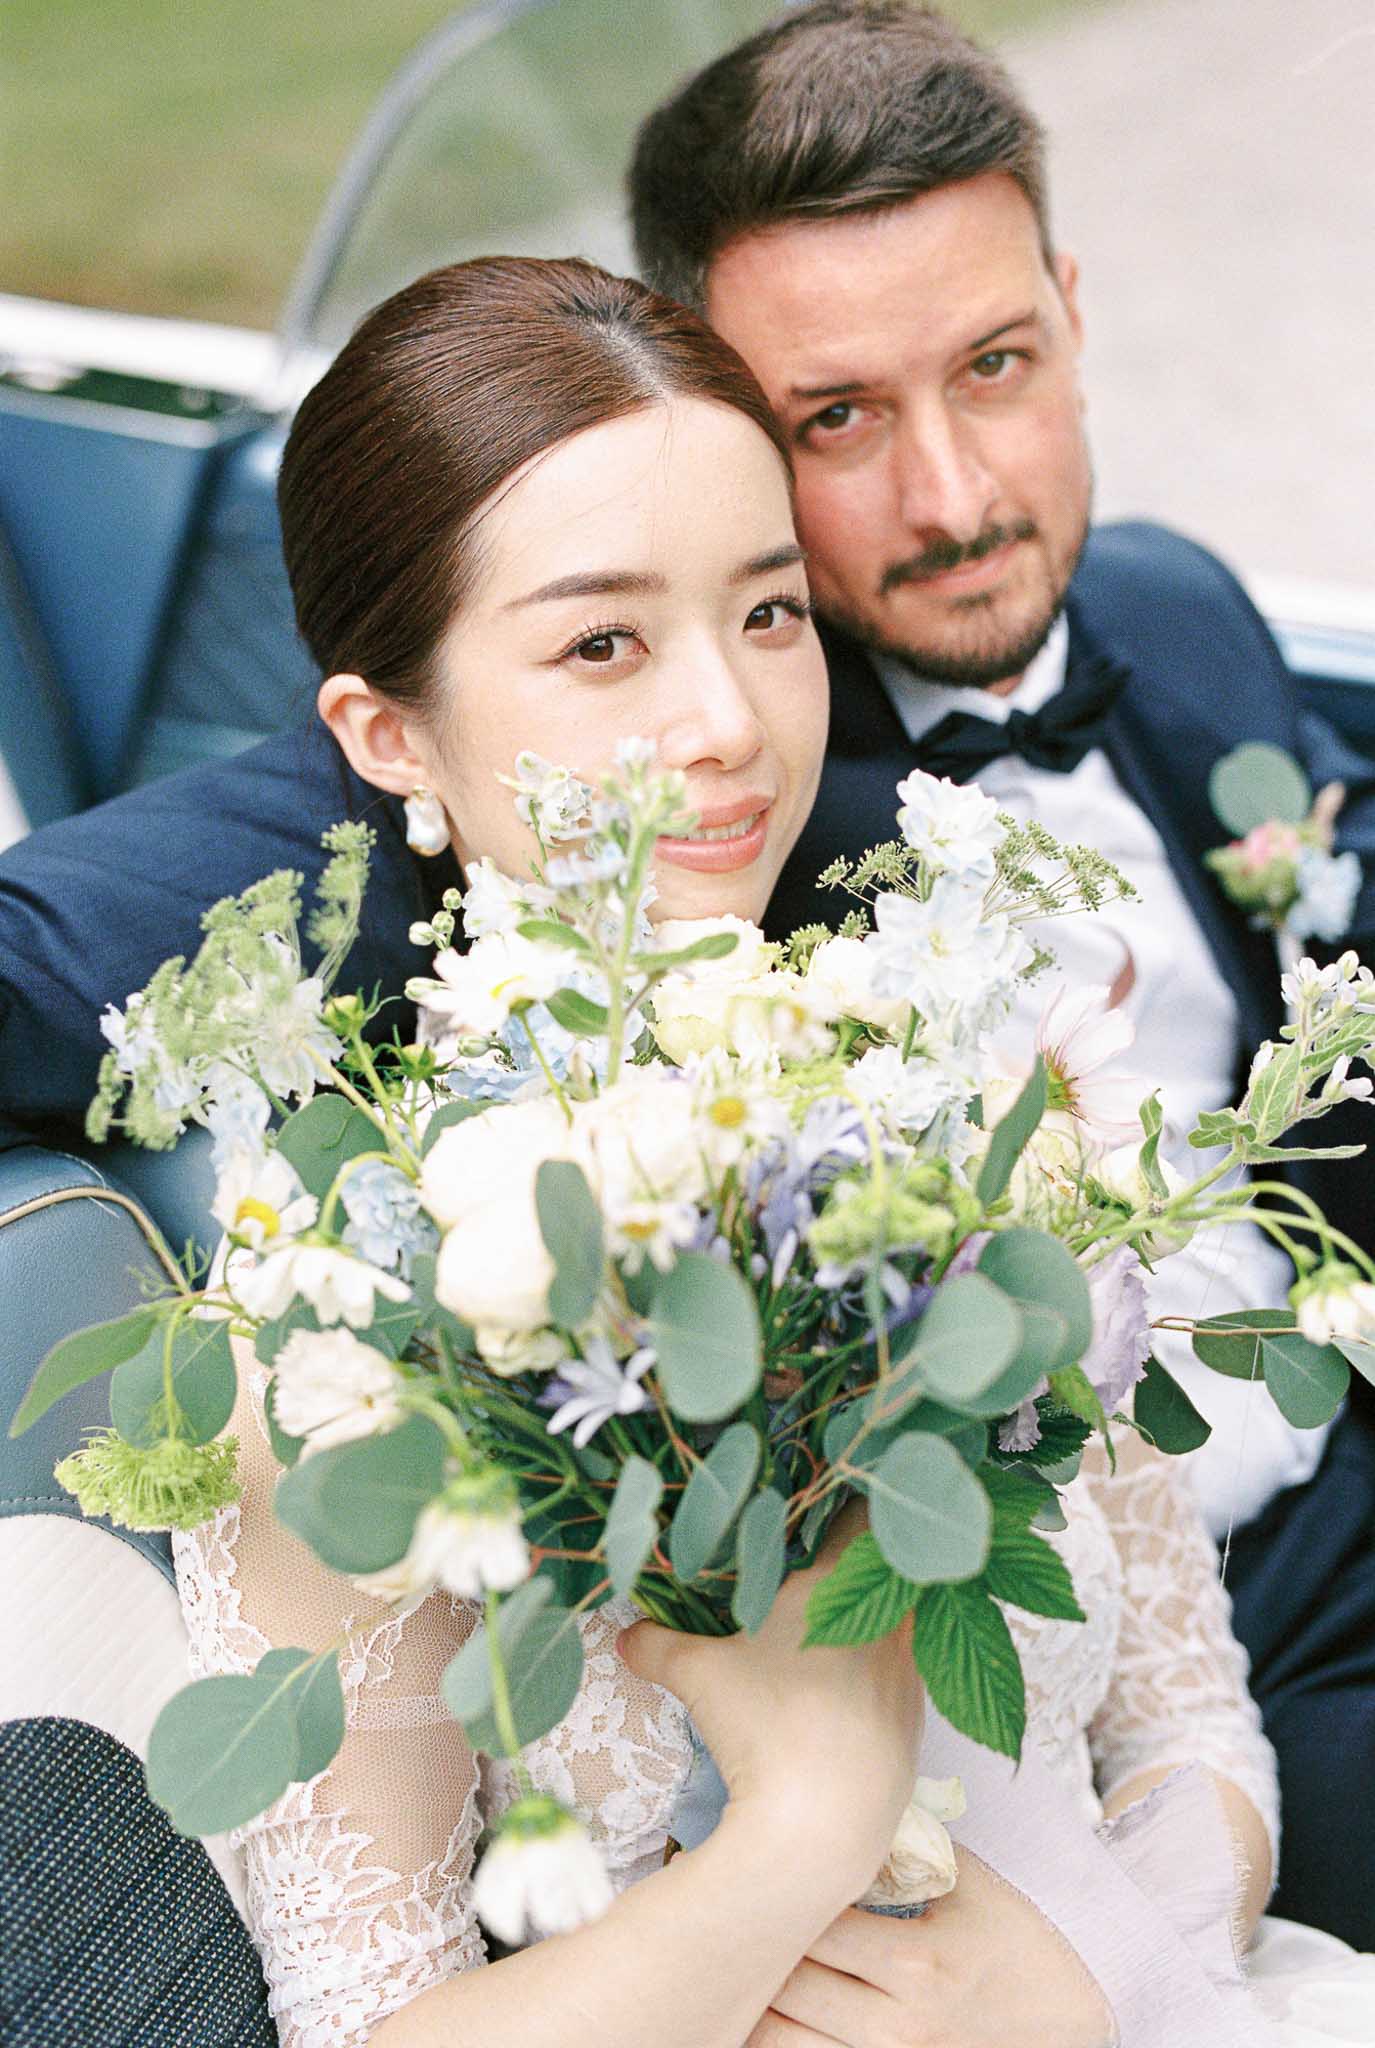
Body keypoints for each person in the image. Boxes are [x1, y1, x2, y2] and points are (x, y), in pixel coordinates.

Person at [169, 255, 1373, 2048]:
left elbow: (1190, 1722)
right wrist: (806, 1825)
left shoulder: (974, 1103)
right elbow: (370, 2026)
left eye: (769, 612)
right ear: (390, 734)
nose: (732, 723)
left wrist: (1101, 1982)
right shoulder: (338, 1324)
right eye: (602, 644)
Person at [626, 0, 1375, 1948]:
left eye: (995, 365)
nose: (955, 498)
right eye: (836, 420)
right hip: (1117, 1650)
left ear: (1070, 309)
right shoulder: (691, 791)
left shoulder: (1169, 606)